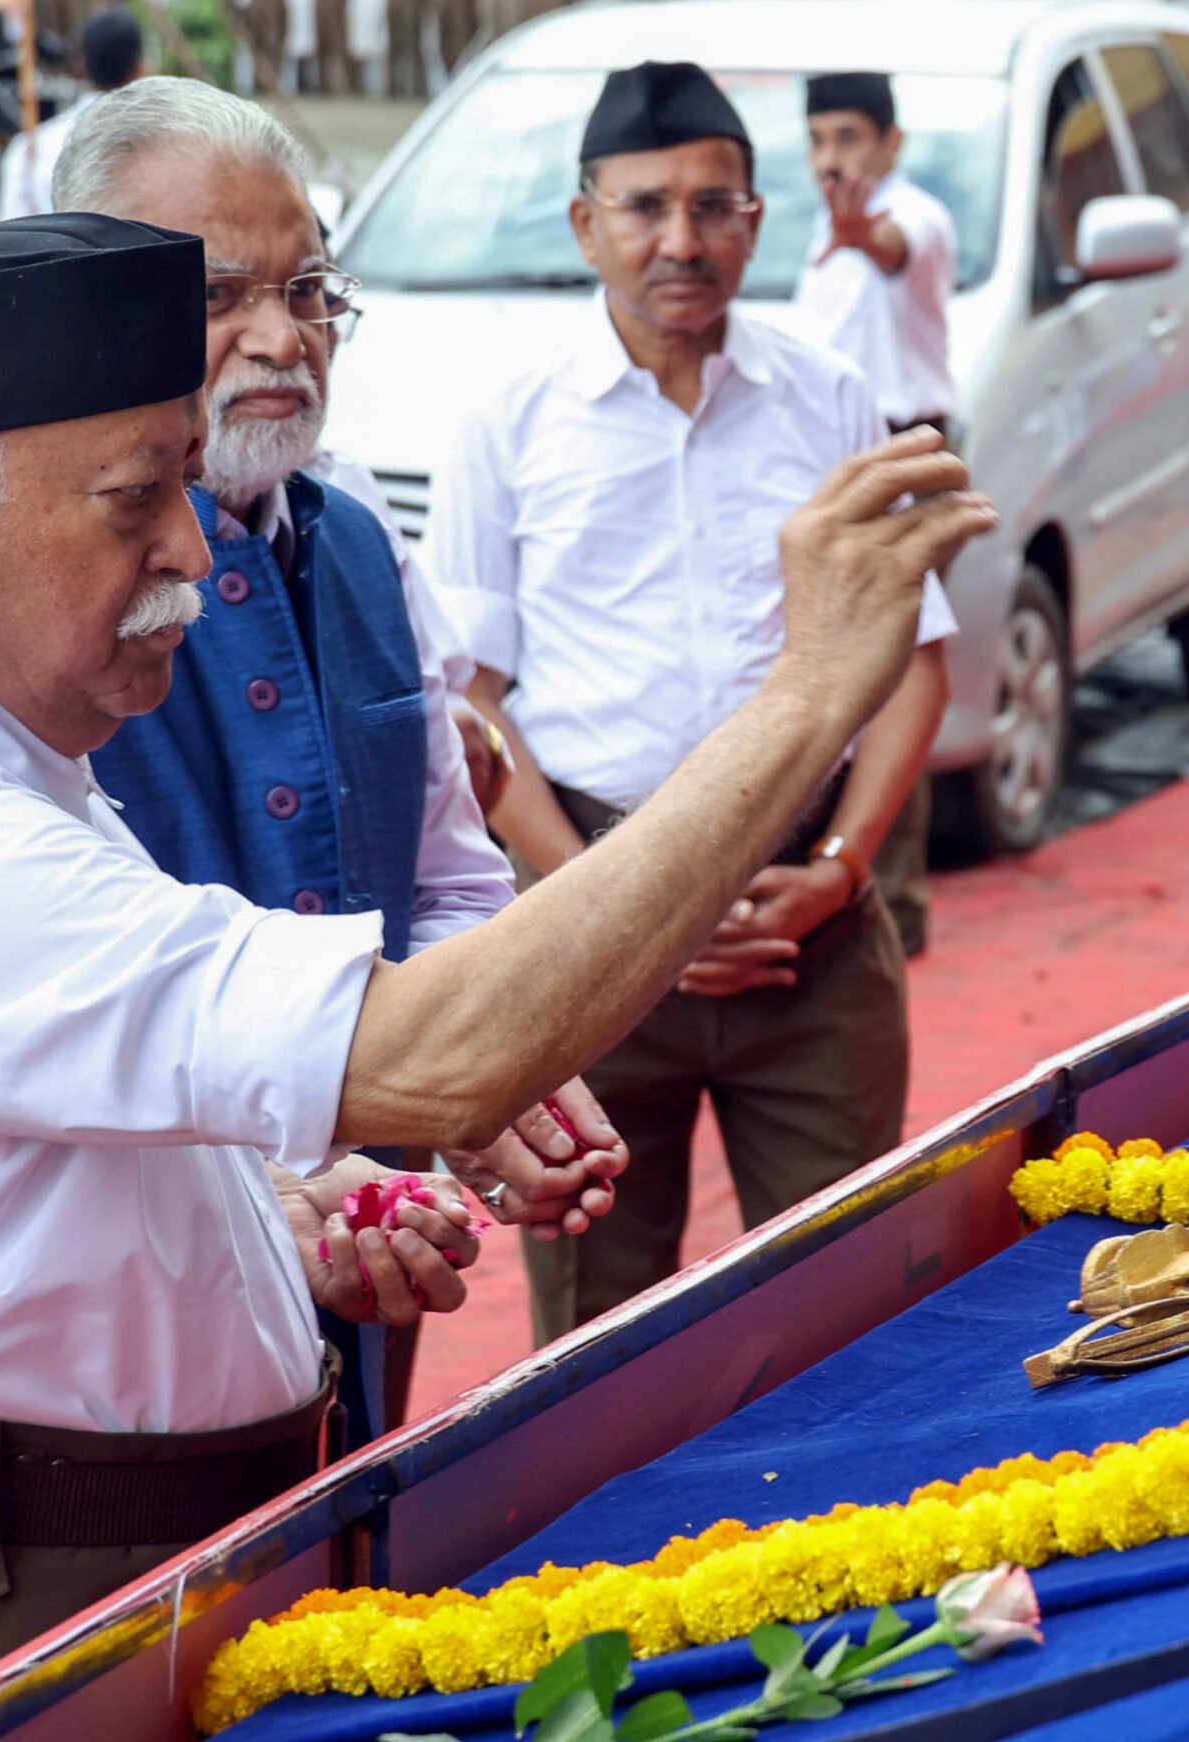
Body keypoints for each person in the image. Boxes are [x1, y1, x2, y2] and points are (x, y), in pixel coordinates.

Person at [0, 209, 991, 1738]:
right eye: (138, 497)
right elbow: (437, 1057)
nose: (191, 548)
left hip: (63, 1555)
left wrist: (258, 1215)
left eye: (189, 480)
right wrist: (807, 695)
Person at [53, 78, 614, 1445]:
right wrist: (275, 1170)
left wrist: (493, 1078)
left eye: (307, 290)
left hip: (376, 1239)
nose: (280, 339)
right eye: (219, 297)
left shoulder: (360, 538)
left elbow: (445, 870)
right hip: (114, 1316)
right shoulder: (32, 592)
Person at [421, 62, 957, 1347]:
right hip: (592, 938)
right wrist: (612, 893)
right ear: (584, 222)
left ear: (758, 222)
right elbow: (471, 713)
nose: (681, 241)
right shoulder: (509, 420)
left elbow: (911, 662)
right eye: (647, 206)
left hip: (801, 931)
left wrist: (837, 865)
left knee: (846, 1299)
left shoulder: (824, 394)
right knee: (599, 1338)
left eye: (715, 206)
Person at [792, 70, 955, 957]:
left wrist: (864, 233)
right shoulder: (823, 232)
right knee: (855, 677)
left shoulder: (916, 218)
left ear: (891, 143)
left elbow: (894, 246)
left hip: (904, 452)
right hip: (845, 460)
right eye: (818, 141)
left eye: (849, 139)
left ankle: (891, 898)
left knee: (895, 673)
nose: (831, 159)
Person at [0, 6, 143, 221]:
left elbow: (7, 235)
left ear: (81, 66)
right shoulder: (158, 145)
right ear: (140, 66)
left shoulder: (29, 149)